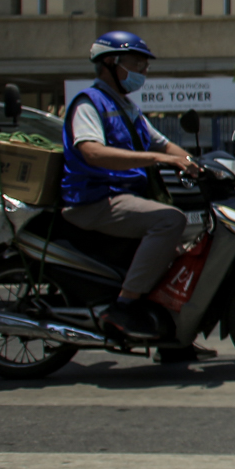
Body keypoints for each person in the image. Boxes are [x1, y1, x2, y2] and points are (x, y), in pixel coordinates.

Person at [61, 31, 201, 341]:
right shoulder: (89, 103)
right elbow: (92, 152)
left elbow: (164, 146)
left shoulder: (127, 107)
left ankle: (173, 338)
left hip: (123, 198)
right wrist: (154, 158)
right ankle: (123, 306)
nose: (143, 72)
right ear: (110, 62)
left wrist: (200, 165)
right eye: (137, 64)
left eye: (145, 66)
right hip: (95, 199)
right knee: (170, 220)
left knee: (183, 252)